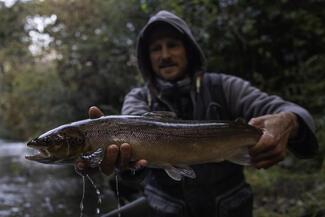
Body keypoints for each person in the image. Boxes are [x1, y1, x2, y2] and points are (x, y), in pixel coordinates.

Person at [77, 10, 318, 217]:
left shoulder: (225, 87)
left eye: (172, 45)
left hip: (230, 209)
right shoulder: (138, 100)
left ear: (188, 50)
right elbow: (132, 159)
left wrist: (289, 122)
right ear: (147, 59)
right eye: (155, 49)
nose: (165, 55)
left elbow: (295, 113)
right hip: (166, 210)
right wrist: (122, 162)